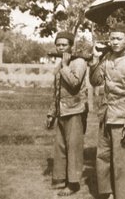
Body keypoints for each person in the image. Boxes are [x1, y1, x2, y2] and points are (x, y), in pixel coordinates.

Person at [89, 23, 125, 199]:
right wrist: (95, 60)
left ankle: (122, 196)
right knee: (102, 158)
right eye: (112, 38)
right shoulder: (107, 59)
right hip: (106, 116)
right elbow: (96, 81)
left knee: (123, 164)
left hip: (122, 119)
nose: (114, 42)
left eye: (118, 38)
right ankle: (106, 193)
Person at [46, 31, 88, 196]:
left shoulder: (79, 62)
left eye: (64, 44)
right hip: (62, 111)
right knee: (61, 147)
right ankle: (61, 178)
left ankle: (73, 183)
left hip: (75, 110)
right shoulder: (61, 63)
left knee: (74, 148)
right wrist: (51, 112)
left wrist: (64, 65)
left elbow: (74, 83)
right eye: (58, 44)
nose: (61, 47)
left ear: (71, 46)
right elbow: (57, 91)